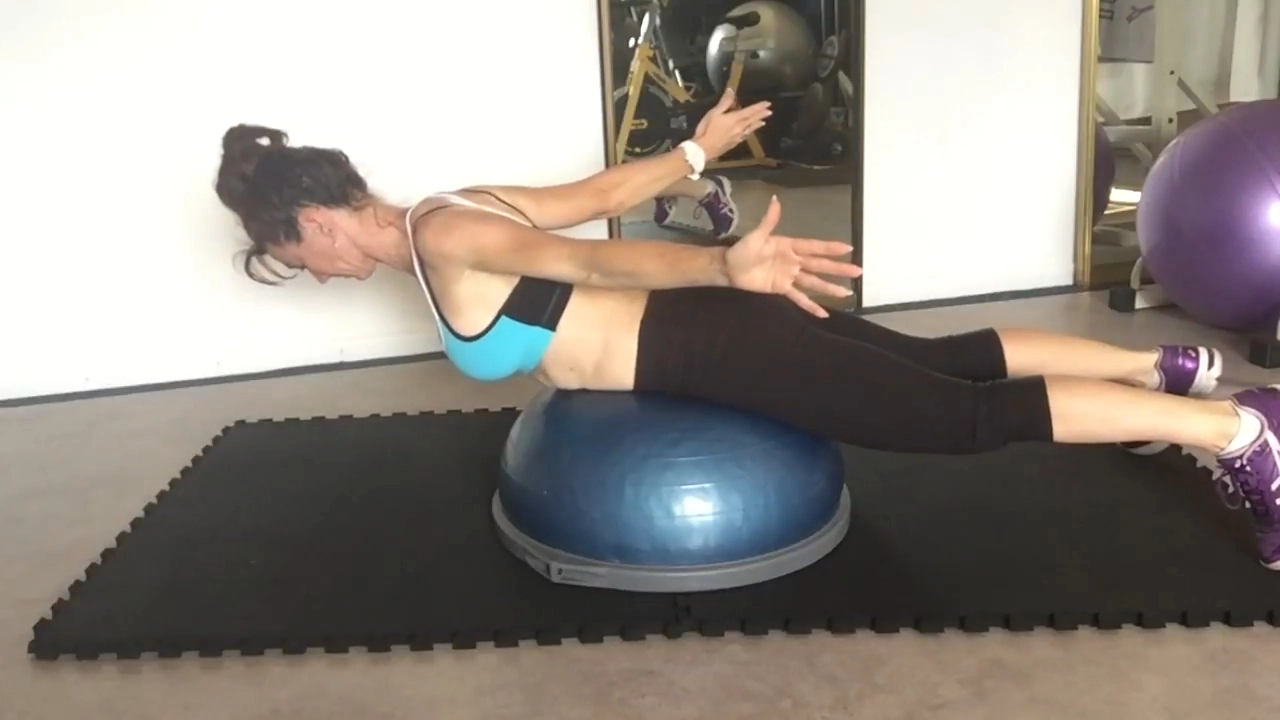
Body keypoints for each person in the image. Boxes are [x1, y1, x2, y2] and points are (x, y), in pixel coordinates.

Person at [213, 89, 1280, 570]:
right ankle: (1163, 366)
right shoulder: (451, 207)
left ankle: (1239, 431)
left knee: (959, 418)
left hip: (706, 343)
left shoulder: (445, 237)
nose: (308, 271)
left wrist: (717, 262)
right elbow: (596, 195)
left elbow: (589, 256)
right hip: (708, 329)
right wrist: (691, 154)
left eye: (292, 254)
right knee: (944, 363)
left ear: (313, 222)